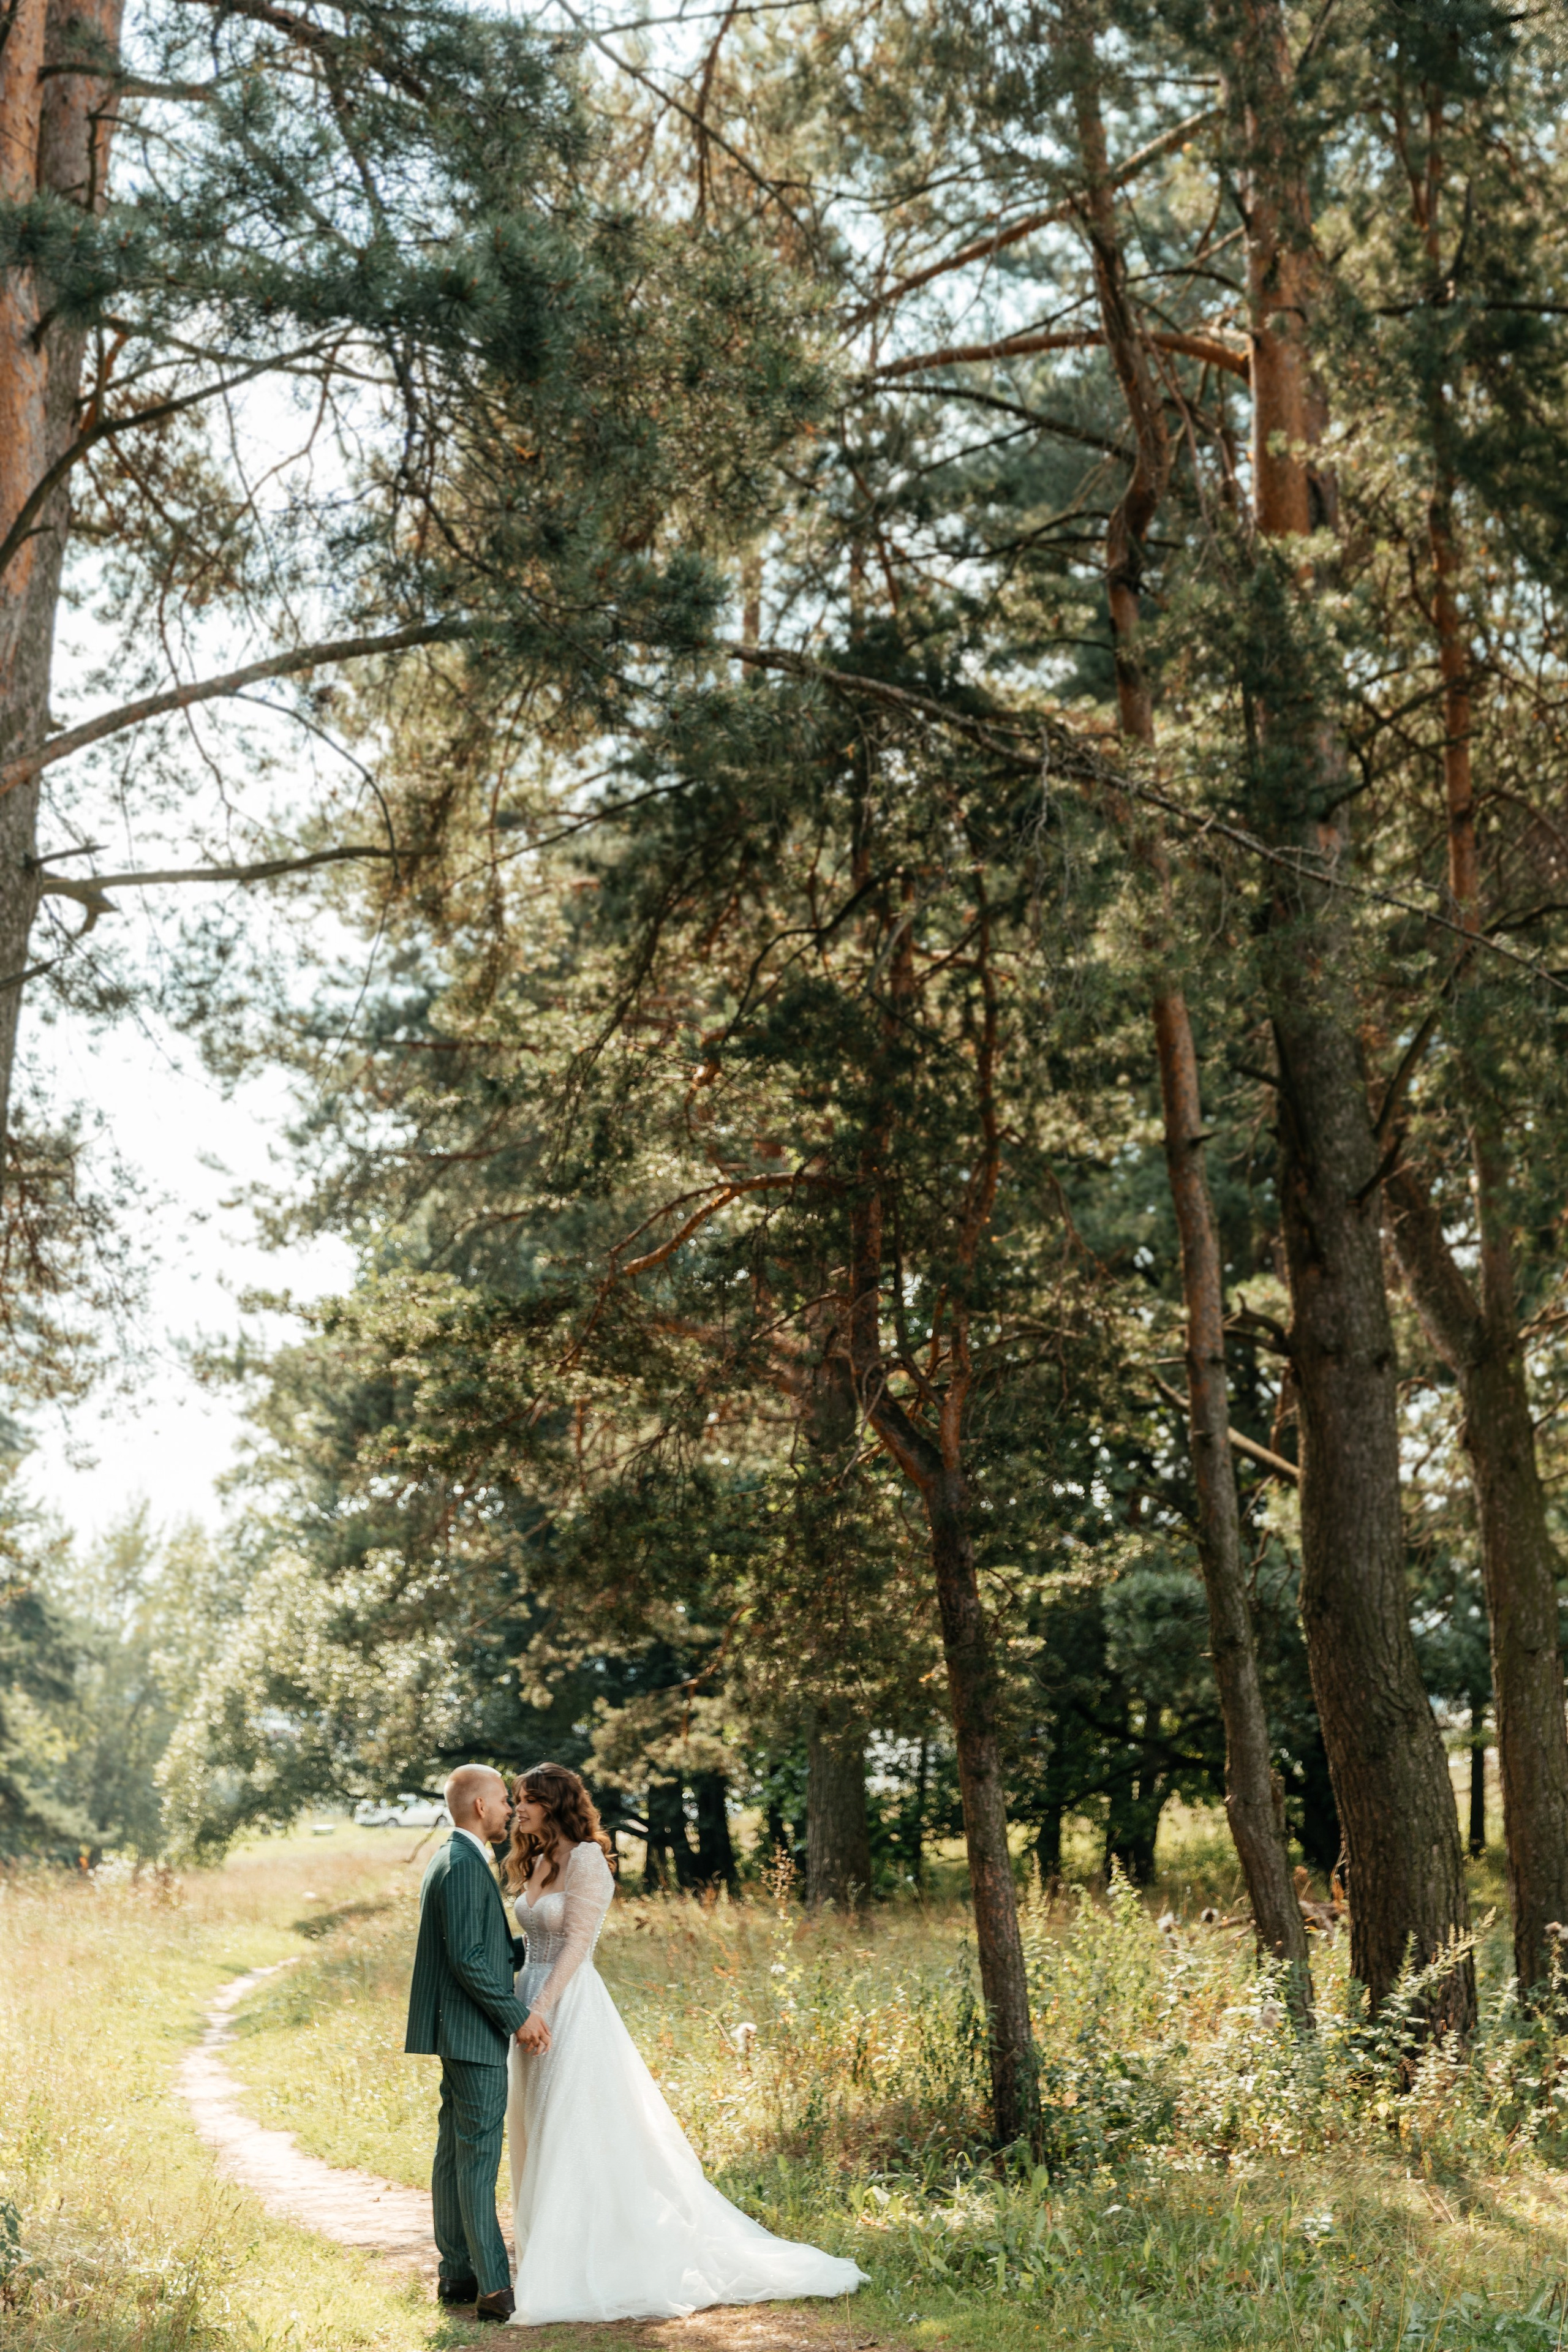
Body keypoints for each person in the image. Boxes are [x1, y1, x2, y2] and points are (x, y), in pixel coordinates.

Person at [502, 1760, 866, 2324]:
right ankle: (551, 2256)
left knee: (573, 2124)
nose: (517, 1809)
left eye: (528, 1799)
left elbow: (577, 1944)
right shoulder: (537, 1859)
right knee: (538, 2125)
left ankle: (589, 2261)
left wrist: (542, 2008)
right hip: (529, 2002)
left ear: (554, 1804)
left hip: (567, 2006)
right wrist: (517, 2004)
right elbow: (529, 1942)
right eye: (517, 1799)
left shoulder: (587, 1860)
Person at [404, 1763, 551, 2322]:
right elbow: (467, 1960)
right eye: (504, 1800)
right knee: (477, 2157)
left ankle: (457, 2274)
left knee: (453, 2152)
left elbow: (477, 1945)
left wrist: (534, 1950)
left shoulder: (452, 1857)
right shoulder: (465, 1865)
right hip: (473, 2031)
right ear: (481, 1806)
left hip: (457, 2030)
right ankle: (493, 2286)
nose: (511, 1809)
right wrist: (517, 2017)